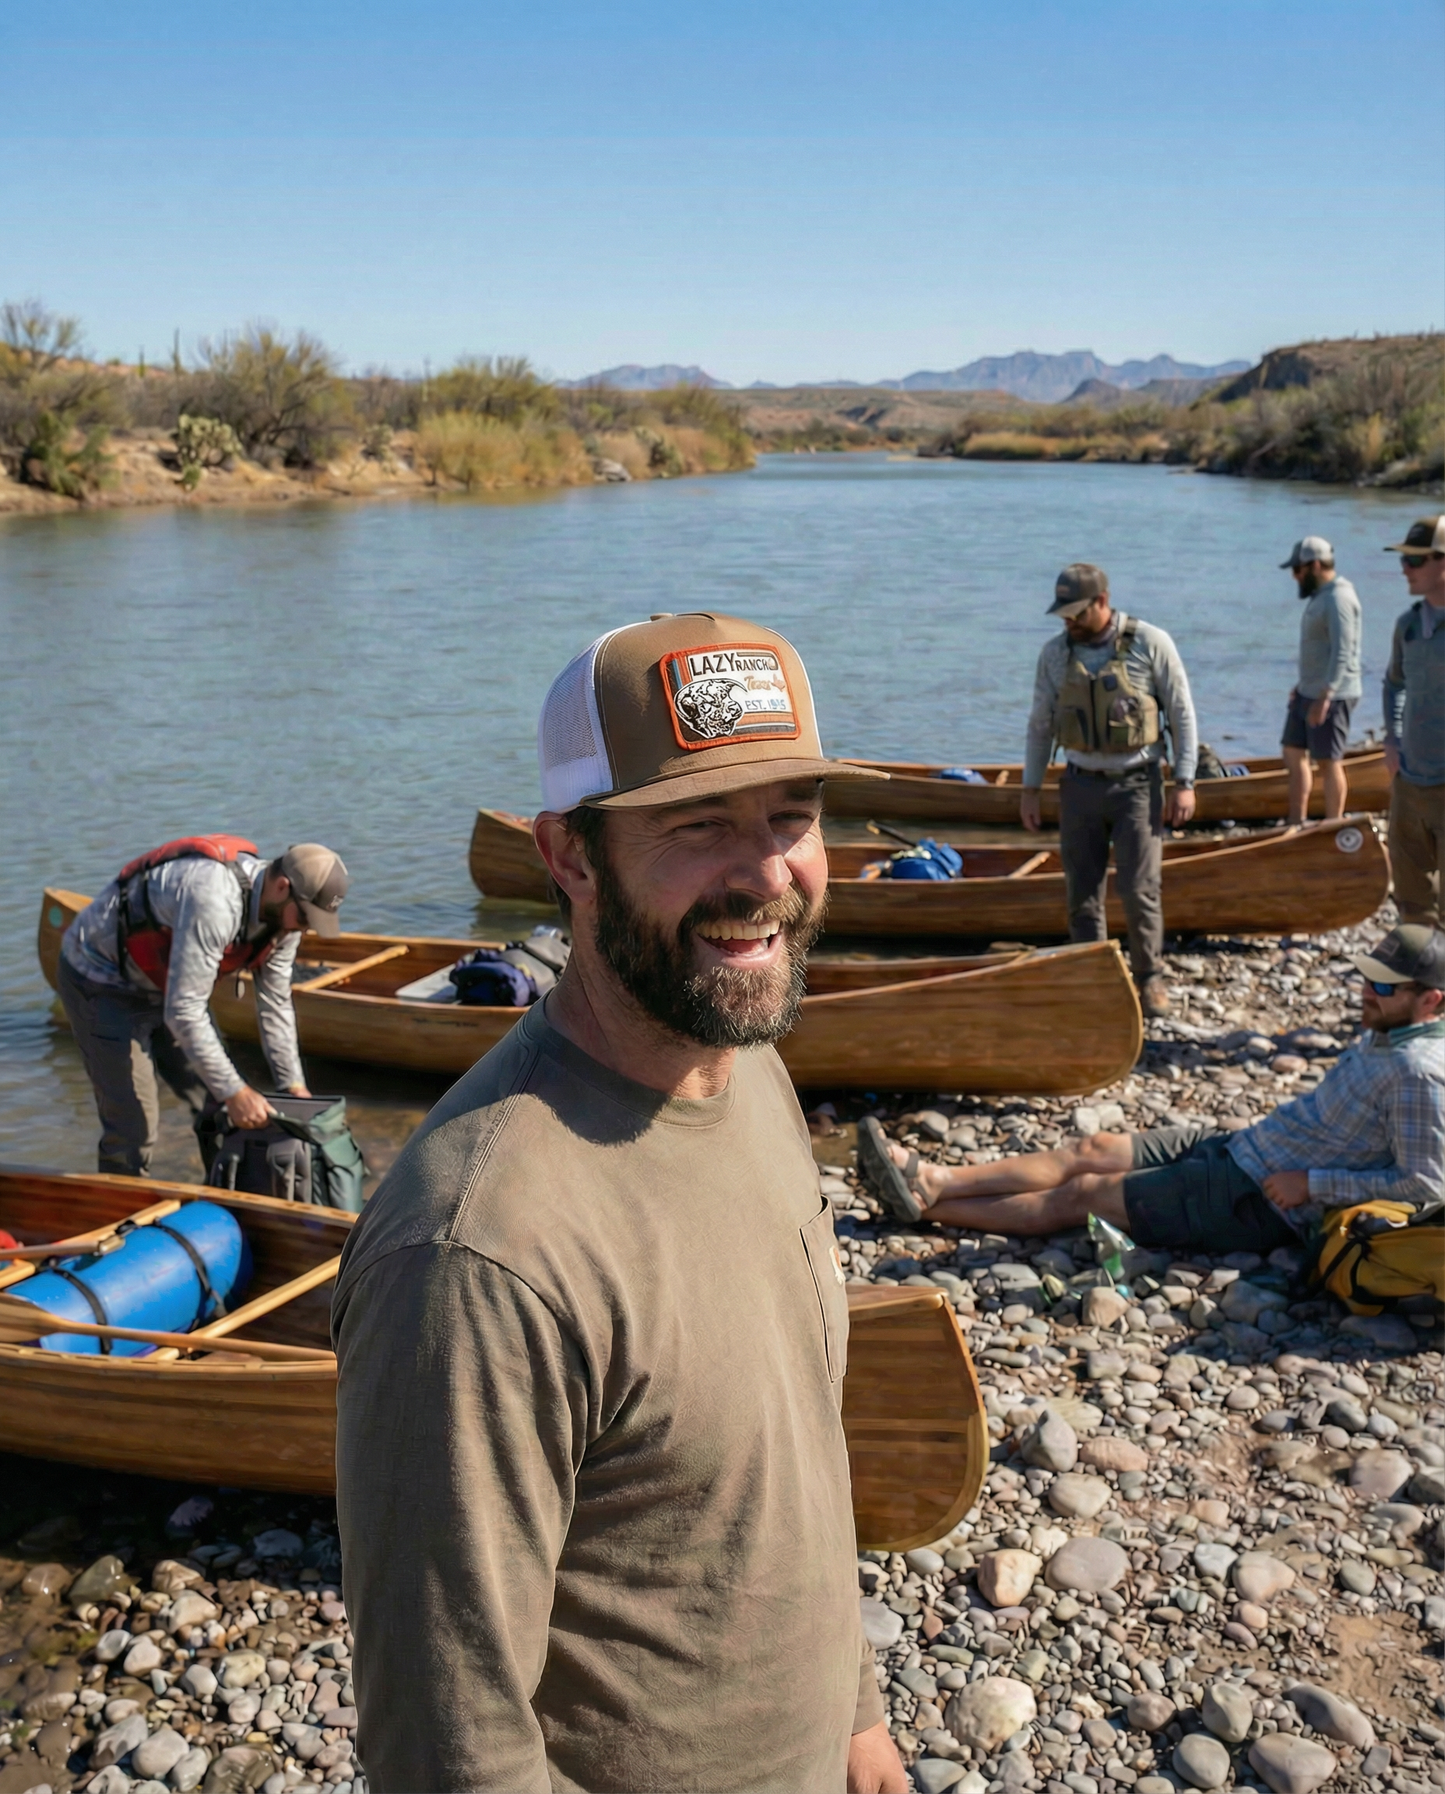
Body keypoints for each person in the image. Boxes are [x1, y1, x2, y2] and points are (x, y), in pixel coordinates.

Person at [332, 615, 906, 1794]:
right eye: (698, 825)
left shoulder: (749, 1070)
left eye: (790, 816)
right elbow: (451, 1746)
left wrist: (853, 1717)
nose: (765, 873)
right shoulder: (476, 1255)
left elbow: (789, 1455)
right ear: (569, 856)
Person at [860, 924, 1445, 1257]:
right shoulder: (1390, 1029)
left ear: (1431, 1000)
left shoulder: (1419, 1072)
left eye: (1385, 987)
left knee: (1086, 1192)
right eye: (1369, 978)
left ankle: (930, 1207)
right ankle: (936, 1179)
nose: (1368, 992)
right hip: (1243, 1146)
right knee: (1092, 1150)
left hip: (1261, 1199)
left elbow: (1424, 1184)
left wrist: (1311, 1185)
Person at [58, 837, 349, 1176]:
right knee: (134, 1126)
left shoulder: (286, 919)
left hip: (168, 984)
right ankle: (121, 1213)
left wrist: (293, 1087)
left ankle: (223, 1197)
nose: (305, 927)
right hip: (102, 979)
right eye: (305, 917)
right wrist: (235, 1091)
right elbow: (184, 1011)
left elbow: (276, 1004)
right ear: (283, 886)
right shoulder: (213, 900)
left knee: (214, 1106)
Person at [1022, 563, 1198, 1019]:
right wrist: (1030, 787)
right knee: (1082, 891)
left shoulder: (1150, 643)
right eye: (1064, 614)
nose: (1069, 621)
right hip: (1079, 784)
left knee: (1141, 889)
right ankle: (1092, 976)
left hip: (1139, 785)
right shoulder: (1055, 655)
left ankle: (1150, 979)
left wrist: (1185, 781)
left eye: (1077, 612)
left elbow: (1181, 714)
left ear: (1103, 601)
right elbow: (1041, 725)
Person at [1382, 515, 1445, 926]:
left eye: (1415, 561)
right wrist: (1392, 739)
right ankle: (1425, 984)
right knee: (1411, 901)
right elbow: (1393, 684)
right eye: (1405, 560)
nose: (1405, 569)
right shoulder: (1407, 625)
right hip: (1409, 785)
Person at [1279, 535, 1363, 825]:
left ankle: (1332, 824)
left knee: (1328, 761)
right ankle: (1295, 821)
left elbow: (1344, 651)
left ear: (1314, 565)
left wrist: (1326, 695)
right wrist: (1302, 686)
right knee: (1292, 751)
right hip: (1309, 690)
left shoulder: (1339, 598)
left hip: (1333, 694)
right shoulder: (1321, 596)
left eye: (1297, 569)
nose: (1294, 576)